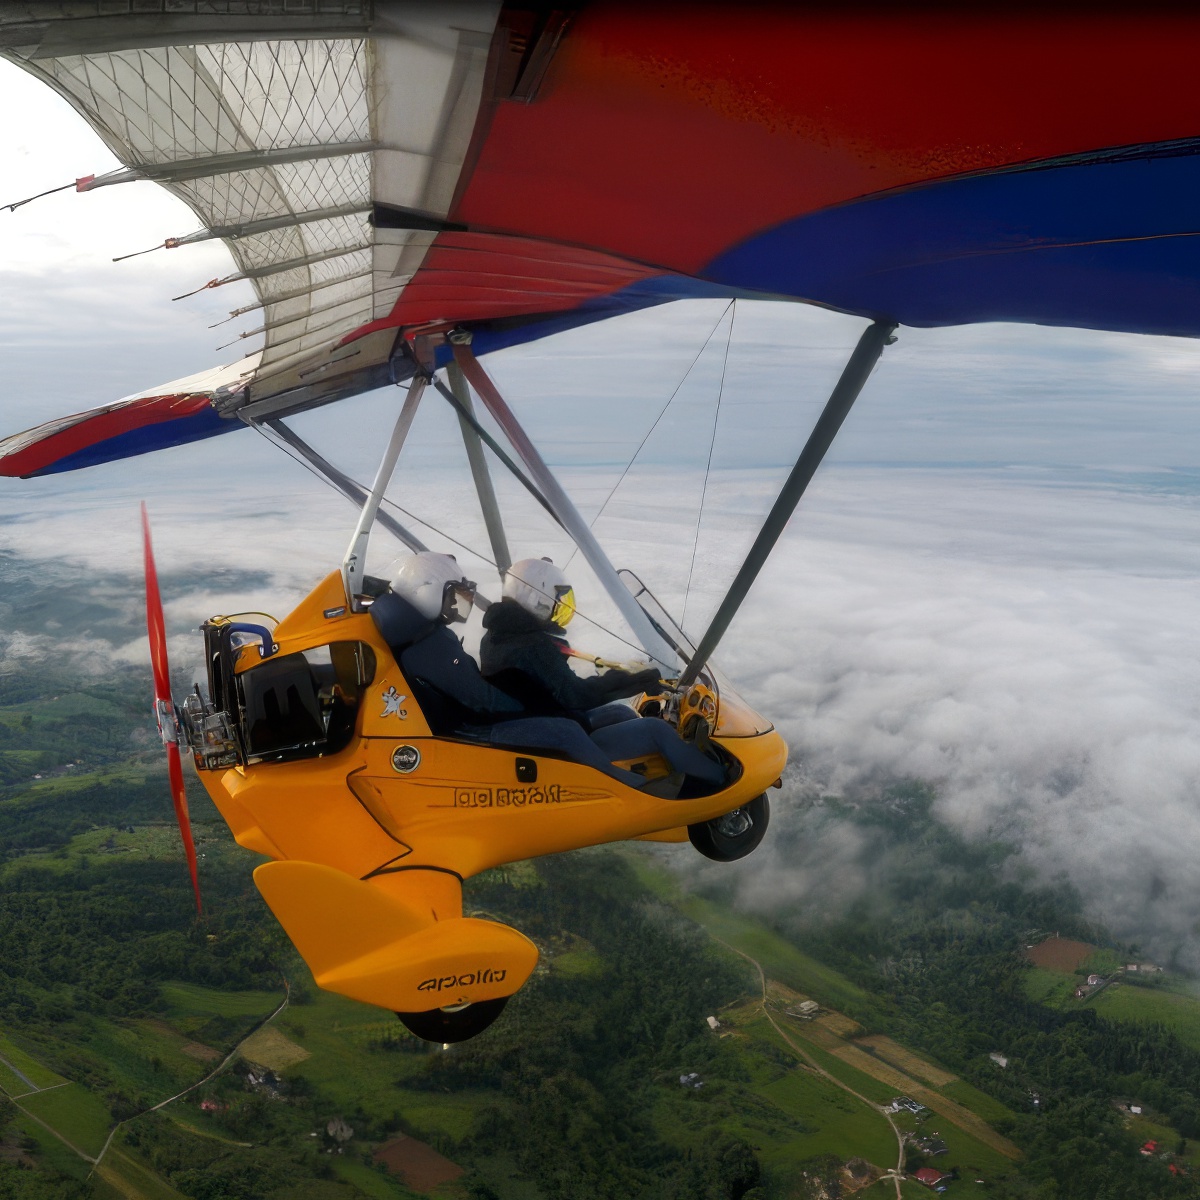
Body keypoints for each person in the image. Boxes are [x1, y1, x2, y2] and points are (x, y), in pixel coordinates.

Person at [372, 553, 648, 787]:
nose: (456, 602)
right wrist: (527, 712)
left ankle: (611, 765)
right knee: (567, 731)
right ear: (428, 590)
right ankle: (620, 787)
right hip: (465, 730)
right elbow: (480, 699)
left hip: (463, 719)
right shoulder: (429, 646)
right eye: (452, 594)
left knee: (579, 722)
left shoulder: (424, 635)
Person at [481, 558, 725, 790]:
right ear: (536, 597)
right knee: (656, 730)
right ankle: (719, 783)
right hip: (553, 740)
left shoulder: (499, 635)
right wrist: (635, 681)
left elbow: (545, 688)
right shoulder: (532, 646)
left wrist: (628, 680)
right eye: (556, 599)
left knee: (620, 712)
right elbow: (576, 695)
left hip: (538, 723)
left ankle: (662, 766)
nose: (559, 607)